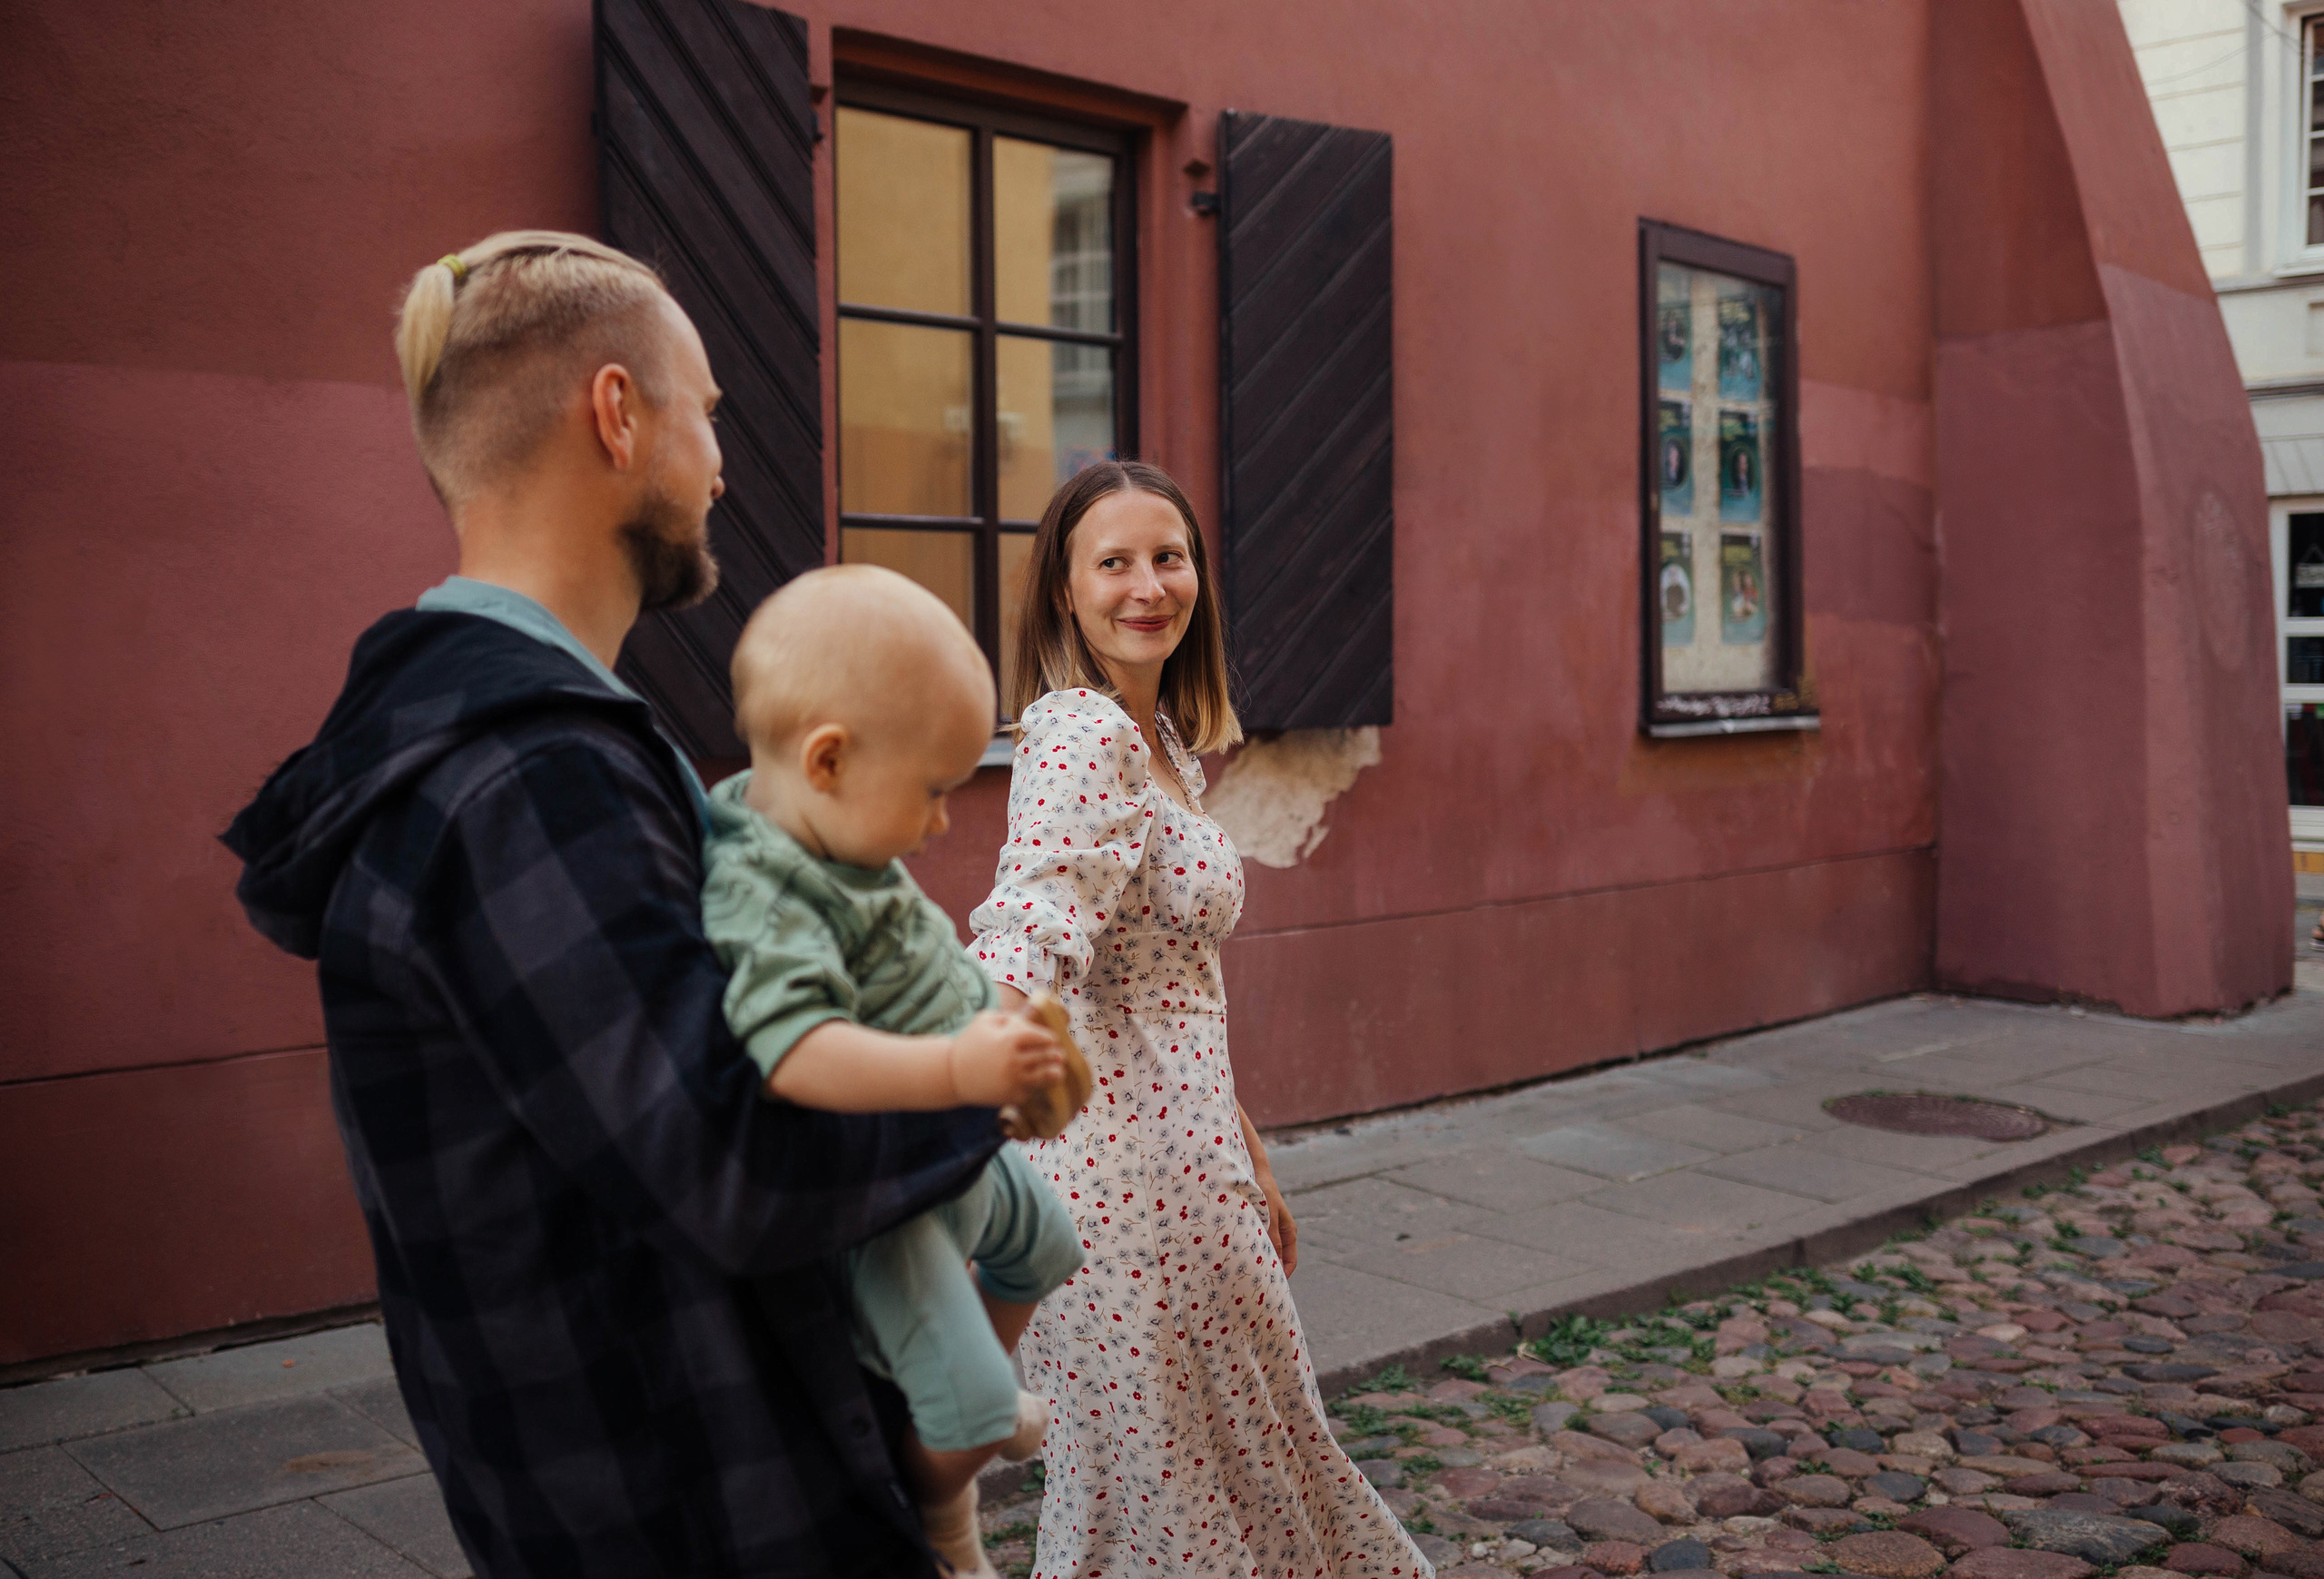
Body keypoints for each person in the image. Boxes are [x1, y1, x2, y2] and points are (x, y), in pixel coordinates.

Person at [222, 232, 1003, 1578]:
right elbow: (730, 1155)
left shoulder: (524, 741)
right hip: (686, 1512)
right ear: (618, 412)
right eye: (706, 413)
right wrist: (990, 1073)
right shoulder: (525, 771)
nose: (721, 461)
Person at [969, 461, 1432, 1578]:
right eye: (1112, 562)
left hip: (1195, 1167)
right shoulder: (1081, 732)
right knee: (1168, 1494)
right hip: (1118, 1197)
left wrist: (1250, 1154)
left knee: (1230, 1469)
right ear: (1064, 593)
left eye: (1167, 556)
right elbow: (1034, 920)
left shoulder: (1165, 744)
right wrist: (959, 1066)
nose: (1146, 585)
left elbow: (1166, 997)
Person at [700, 566, 1085, 1577]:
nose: (944, 821)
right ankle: (940, 1501)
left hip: (954, 1144)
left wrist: (1001, 1028)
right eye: (933, 791)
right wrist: (959, 1062)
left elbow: (921, 958)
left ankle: (973, 1403)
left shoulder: (841, 837)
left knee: (1048, 1241)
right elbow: (792, 1050)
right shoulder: (767, 887)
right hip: (887, 1192)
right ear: (827, 758)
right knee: (973, 1402)